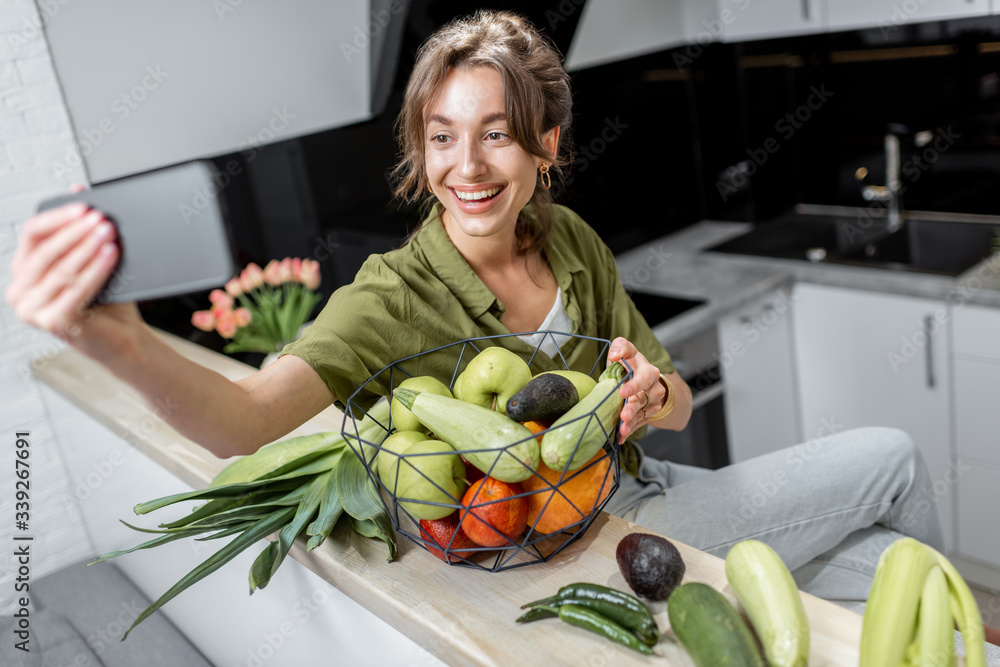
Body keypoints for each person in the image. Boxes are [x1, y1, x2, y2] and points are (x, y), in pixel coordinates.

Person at [5, 10, 946, 611]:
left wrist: (653, 394)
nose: (468, 167)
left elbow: (675, 401)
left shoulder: (569, 236)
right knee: (893, 459)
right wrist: (115, 341)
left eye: (496, 133)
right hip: (583, 545)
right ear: (422, 152)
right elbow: (242, 420)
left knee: (886, 570)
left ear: (544, 141)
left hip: (654, 496)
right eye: (443, 138)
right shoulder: (393, 293)